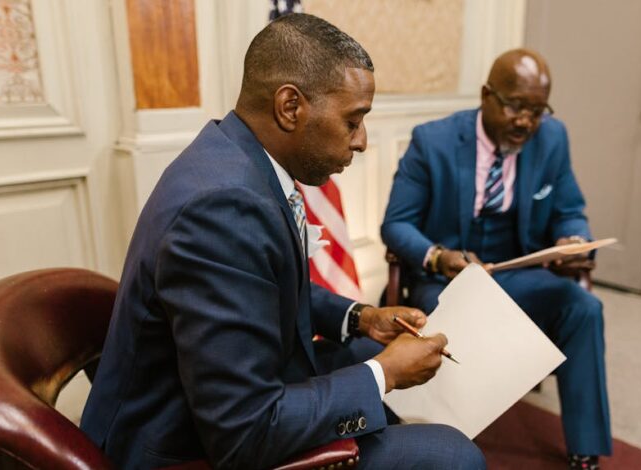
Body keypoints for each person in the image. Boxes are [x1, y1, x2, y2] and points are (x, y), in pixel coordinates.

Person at [80, 13, 485, 470]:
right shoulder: (223, 209)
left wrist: (362, 317)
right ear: (290, 106)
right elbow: (244, 432)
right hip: (181, 447)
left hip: (229, 395)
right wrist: (386, 374)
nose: (363, 141)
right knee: (454, 456)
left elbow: (261, 282)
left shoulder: (237, 156)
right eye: (353, 120)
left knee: (369, 358)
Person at [381, 48, 612, 469]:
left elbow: (569, 208)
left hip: (516, 272)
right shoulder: (433, 141)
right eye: (515, 106)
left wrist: (573, 236)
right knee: (437, 320)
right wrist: (438, 256)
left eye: (537, 110)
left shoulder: (553, 138)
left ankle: (586, 449)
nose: (526, 121)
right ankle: (429, 437)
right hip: (449, 278)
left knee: (584, 307)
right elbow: (397, 225)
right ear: (487, 95)